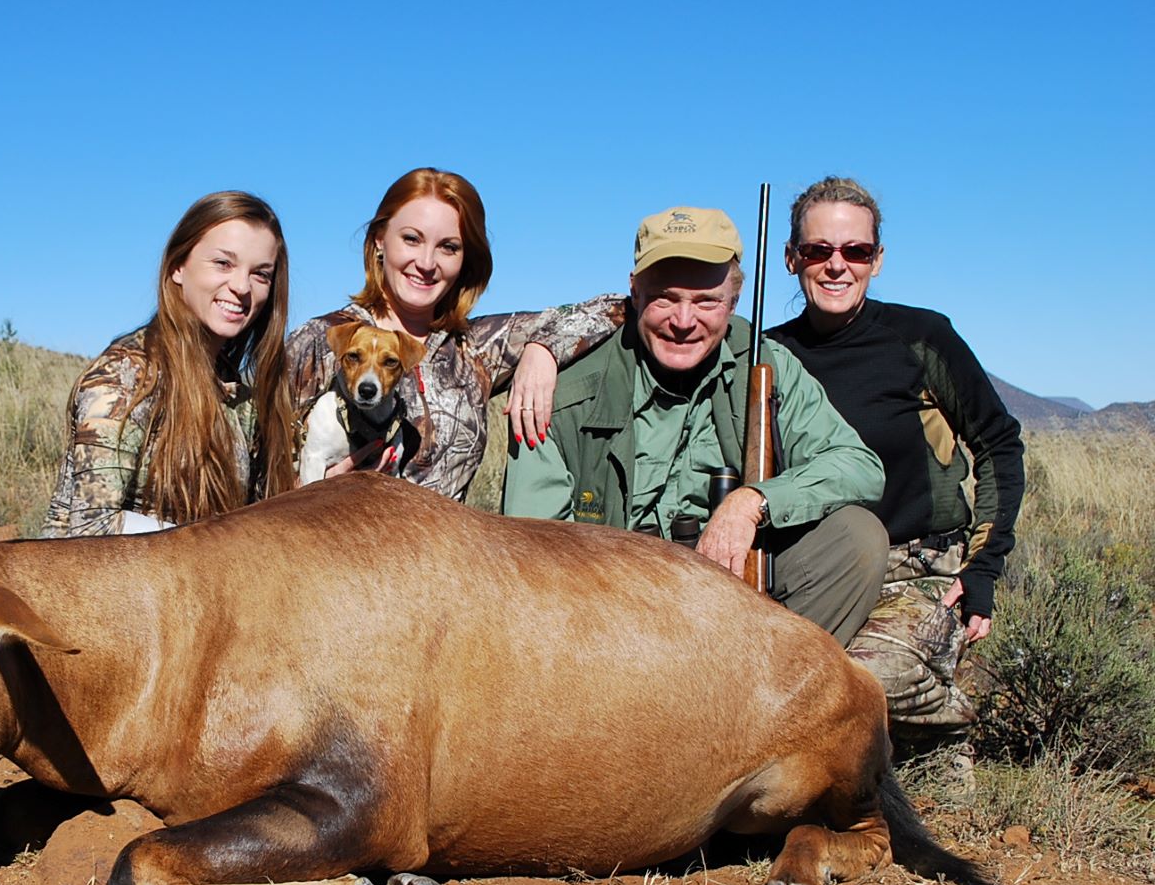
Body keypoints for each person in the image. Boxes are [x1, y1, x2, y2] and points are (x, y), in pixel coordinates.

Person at [502, 206, 888, 644]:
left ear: (734, 302)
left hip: (727, 602)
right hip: (603, 618)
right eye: (665, 297)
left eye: (707, 301)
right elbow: (528, 553)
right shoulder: (560, 389)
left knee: (855, 541)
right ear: (634, 292)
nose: (684, 323)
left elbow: (857, 464)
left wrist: (753, 503)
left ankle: (771, 702)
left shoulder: (766, 366)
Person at [767, 176, 1025, 730]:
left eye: (855, 251)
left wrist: (984, 565)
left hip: (917, 568)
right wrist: (548, 352)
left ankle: (950, 719)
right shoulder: (769, 356)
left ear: (876, 260)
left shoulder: (922, 338)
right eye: (818, 250)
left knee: (850, 683)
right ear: (792, 258)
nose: (837, 265)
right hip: (813, 569)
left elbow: (999, 442)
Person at [286, 168, 623, 501]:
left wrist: (543, 348)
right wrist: (312, 494)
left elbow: (615, 307)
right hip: (328, 546)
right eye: (412, 239)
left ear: (466, 260)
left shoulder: (476, 345)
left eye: (448, 247)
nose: (427, 262)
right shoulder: (319, 341)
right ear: (379, 241)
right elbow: (259, 471)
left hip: (445, 553)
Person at [42, 191, 297, 537]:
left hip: (200, 583)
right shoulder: (124, 376)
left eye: (261, 274)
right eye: (223, 263)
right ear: (178, 266)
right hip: (93, 585)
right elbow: (92, 525)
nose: (241, 286)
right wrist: (217, 542)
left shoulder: (238, 392)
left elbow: (255, 518)